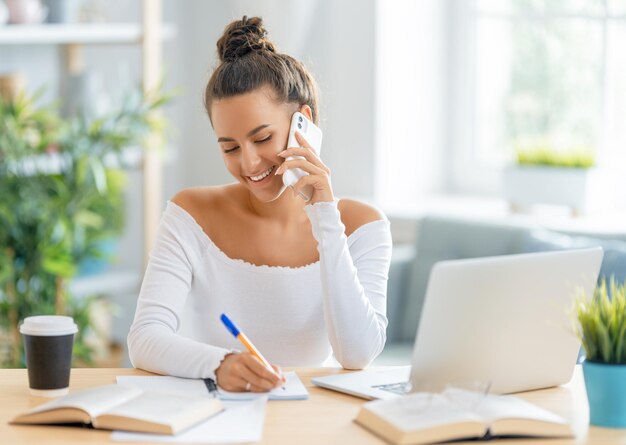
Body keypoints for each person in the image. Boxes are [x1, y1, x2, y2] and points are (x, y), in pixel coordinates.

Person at [127, 16, 392, 393]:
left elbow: (357, 354)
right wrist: (219, 364)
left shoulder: (364, 225)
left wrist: (325, 216)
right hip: (215, 414)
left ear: (303, 121)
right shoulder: (191, 214)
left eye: (262, 138)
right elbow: (144, 339)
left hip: (312, 420)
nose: (249, 164)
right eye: (230, 148)